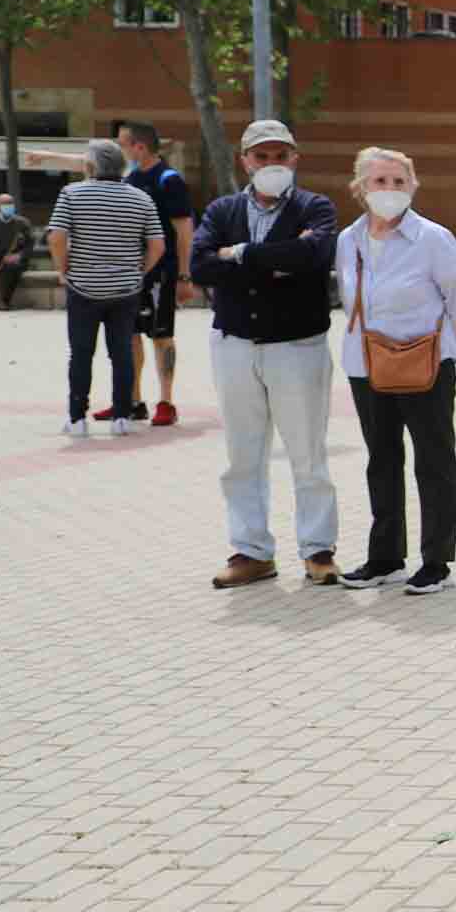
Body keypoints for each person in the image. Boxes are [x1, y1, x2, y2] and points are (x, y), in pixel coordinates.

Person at [191, 118, 341, 589]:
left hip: (298, 347)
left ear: (294, 158)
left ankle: (318, 550)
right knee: (242, 456)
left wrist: (241, 256)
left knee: (307, 454)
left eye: (281, 155)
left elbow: (314, 258)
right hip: (235, 345)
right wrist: (277, 259)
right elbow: (200, 266)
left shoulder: (316, 208)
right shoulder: (221, 210)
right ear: (245, 161)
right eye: (262, 156)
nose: (271, 164)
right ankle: (251, 551)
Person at [335, 148, 456, 597]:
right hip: (367, 364)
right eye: (380, 182)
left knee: (434, 461)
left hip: (428, 363)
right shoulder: (349, 240)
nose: (390, 191)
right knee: (381, 459)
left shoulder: (434, 238)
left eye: (399, 182)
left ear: (413, 187)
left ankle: (436, 561)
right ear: (360, 189)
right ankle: (385, 558)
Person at [47, 141, 166, 438]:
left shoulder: (71, 194)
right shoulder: (141, 198)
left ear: (90, 166)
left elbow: (57, 236)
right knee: (122, 353)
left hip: (83, 287)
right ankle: (122, 416)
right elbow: (158, 244)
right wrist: (140, 269)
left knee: (81, 354)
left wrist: (63, 267)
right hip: (125, 289)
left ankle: (77, 418)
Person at [117, 122, 197, 428]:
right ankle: (134, 401)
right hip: (133, 271)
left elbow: (184, 230)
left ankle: (166, 402)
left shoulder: (169, 180)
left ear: (139, 147)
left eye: (124, 144)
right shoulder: (131, 178)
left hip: (163, 272)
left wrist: (185, 276)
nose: (122, 150)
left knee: (161, 336)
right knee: (131, 335)